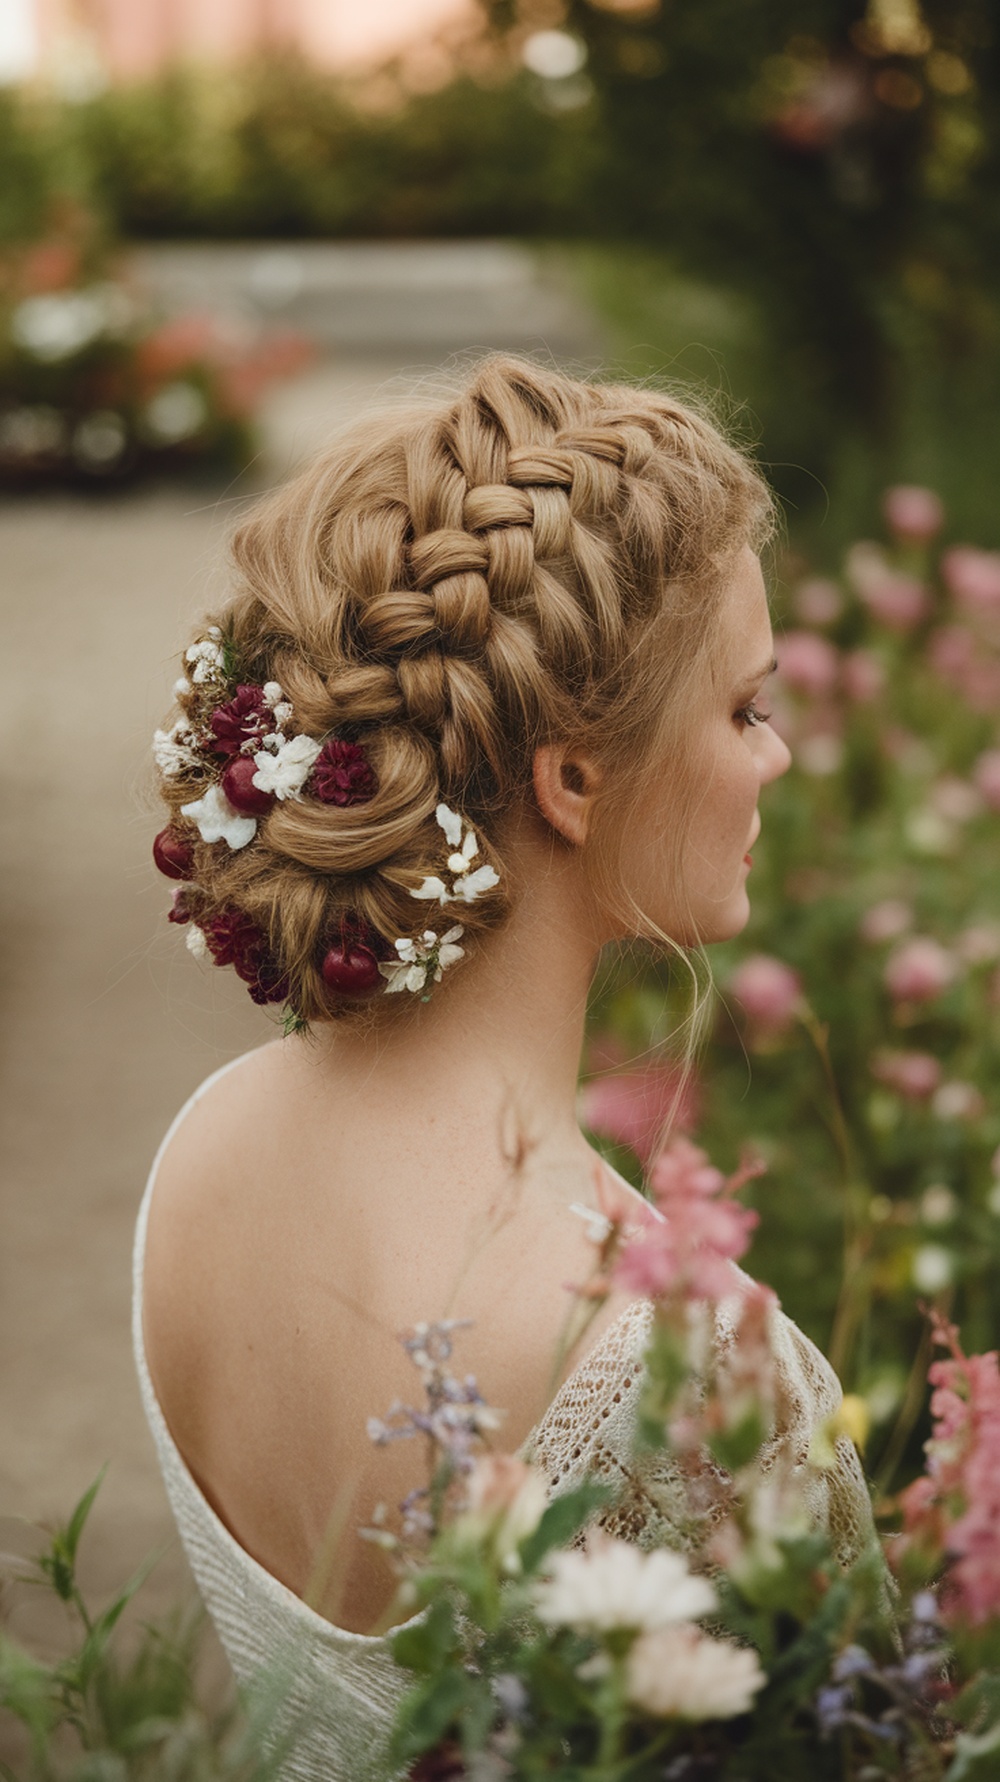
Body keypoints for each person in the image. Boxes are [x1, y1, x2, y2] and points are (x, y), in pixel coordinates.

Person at [134, 357, 873, 1781]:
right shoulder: (673, 1353)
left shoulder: (202, 1154)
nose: (775, 757)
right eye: (745, 708)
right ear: (574, 776)